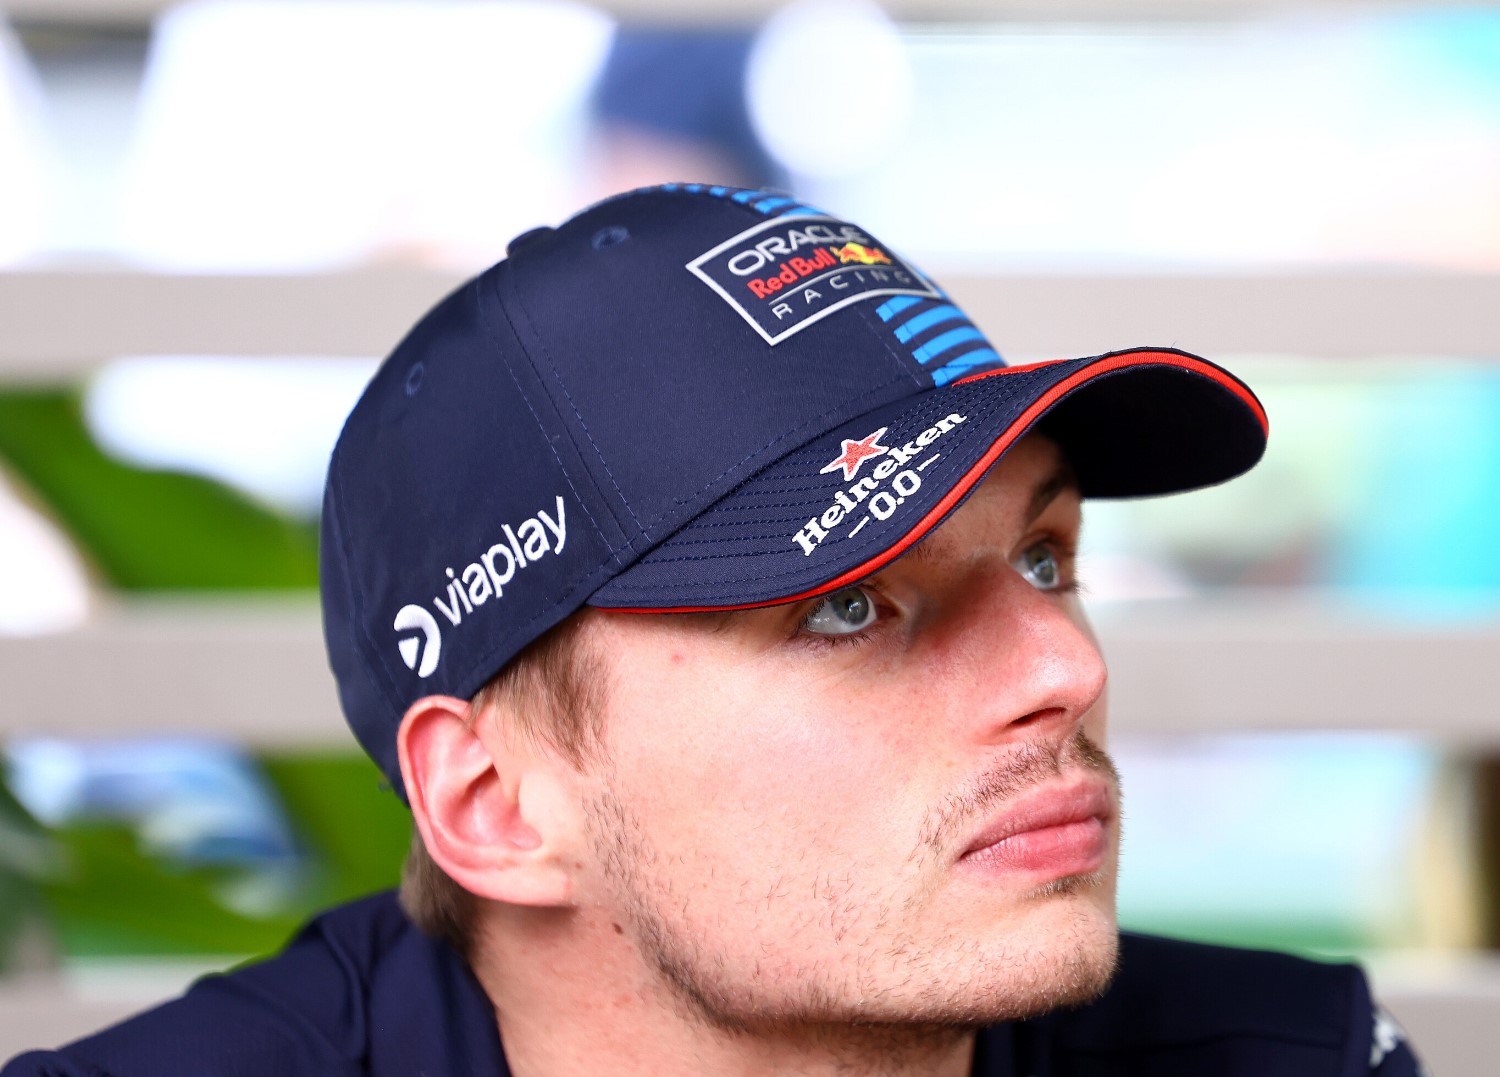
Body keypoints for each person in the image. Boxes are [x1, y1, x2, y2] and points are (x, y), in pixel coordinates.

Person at [4, 184, 1424, 1076]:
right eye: (849, 603)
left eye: (1045, 560)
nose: (1068, 668)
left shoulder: (1284, 1056)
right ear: (496, 803)